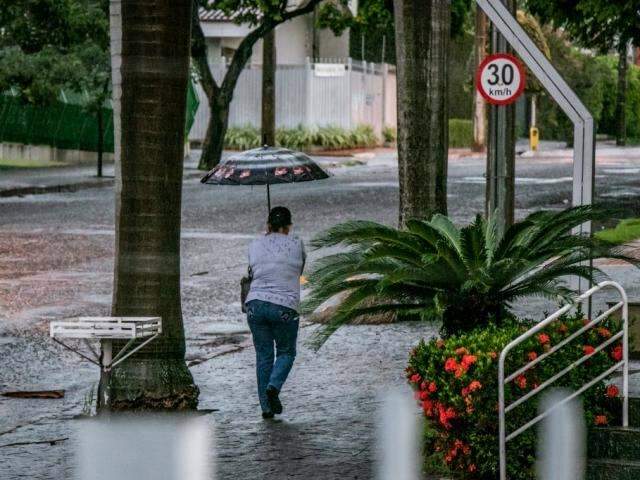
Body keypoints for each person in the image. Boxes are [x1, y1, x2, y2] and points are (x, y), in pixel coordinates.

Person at [245, 206, 306, 419]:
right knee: (286, 352)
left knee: (263, 356)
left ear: (268, 225)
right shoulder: (297, 244)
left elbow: (252, 270)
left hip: (255, 305)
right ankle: (273, 386)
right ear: (288, 227)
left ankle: (266, 408)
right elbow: (299, 271)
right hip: (284, 306)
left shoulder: (254, 244)